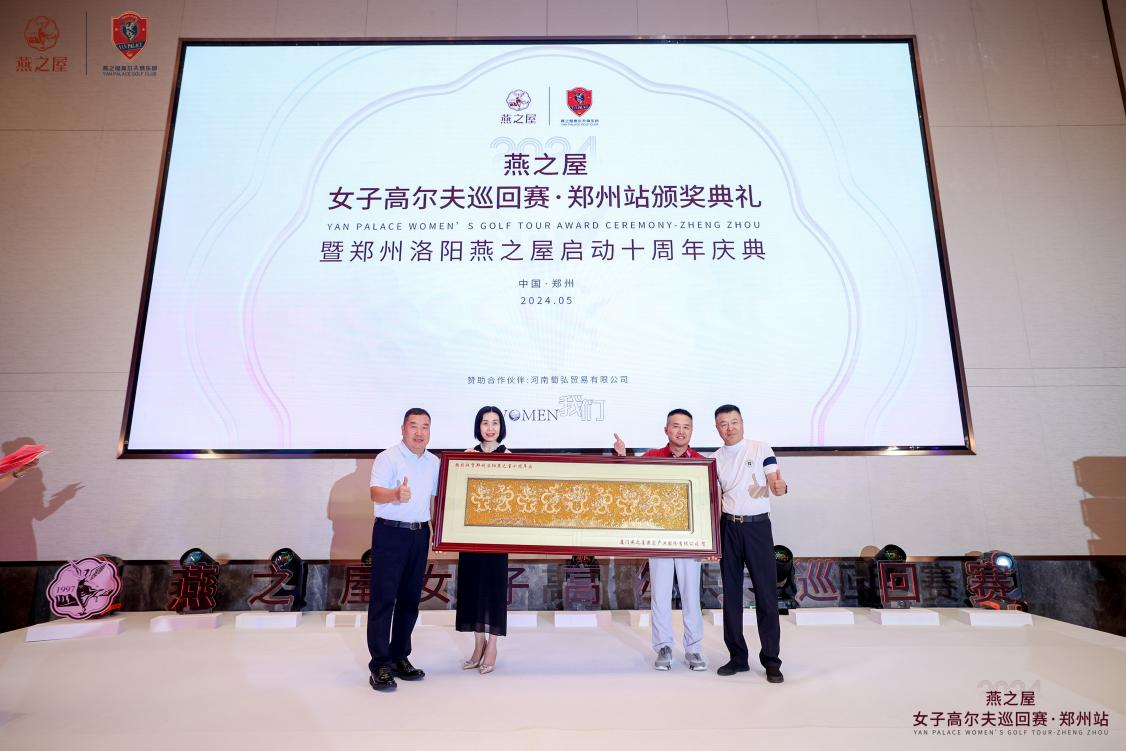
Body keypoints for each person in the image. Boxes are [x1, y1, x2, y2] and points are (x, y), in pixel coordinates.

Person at [613, 409, 708, 672]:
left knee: (691, 596)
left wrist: (710, 542)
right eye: (675, 426)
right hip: (660, 538)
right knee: (661, 595)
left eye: (686, 427)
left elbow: (709, 503)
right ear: (666, 430)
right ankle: (664, 647)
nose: (681, 431)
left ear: (692, 431)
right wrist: (622, 457)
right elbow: (631, 481)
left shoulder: (702, 462)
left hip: (690, 540)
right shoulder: (653, 457)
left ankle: (693, 649)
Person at [711, 403, 788, 683]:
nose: (729, 428)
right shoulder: (715, 459)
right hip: (728, 528)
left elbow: (774, 479)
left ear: (742, 423)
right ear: (717, 428)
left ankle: (771, 660)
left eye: (734, 422)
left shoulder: (760, 448)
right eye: (723, 424)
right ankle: (737, 657)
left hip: (757, 529)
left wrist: (779, 486)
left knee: (766, 594)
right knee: (731, 596)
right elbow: (712, 499)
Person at [366, 408, 440, 692]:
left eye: (425, 427)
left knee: (410, 600)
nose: (419, 432)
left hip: (419, 535)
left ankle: (399, 657)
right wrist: (395, 494)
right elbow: (375, 492)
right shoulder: (387, 458)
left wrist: (438, 534)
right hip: (390, 533)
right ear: (403, 429)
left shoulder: (434, 462)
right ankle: (380, 664)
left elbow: (434, 501)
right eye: (414, 426)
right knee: (384, 599)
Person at [456, 406, 511, 675]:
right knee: (472, 588)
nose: (490, 428)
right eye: (485, 423)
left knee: (494, 589)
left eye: (495, 423)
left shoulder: (511, 458)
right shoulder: (468, 456)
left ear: (501, 427)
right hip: (470, 535)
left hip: (497, 535)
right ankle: (478, 644)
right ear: (478, 426)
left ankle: (493, 646)